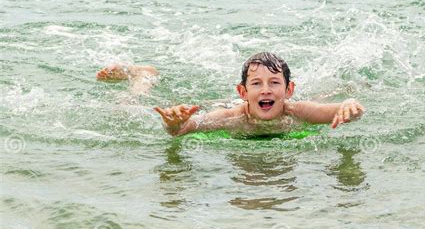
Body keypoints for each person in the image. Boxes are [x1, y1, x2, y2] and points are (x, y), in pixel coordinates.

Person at [96, 52, 365, 136]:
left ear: (289, 89)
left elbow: (342, 109)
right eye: (256, 84)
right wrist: (175, 123)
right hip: (220, 105)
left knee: (338, 90)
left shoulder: (298, 110)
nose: (266, 89)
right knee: (133, 106)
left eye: (274, 83)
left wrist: (351, 106)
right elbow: (187, 127)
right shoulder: (230, 117)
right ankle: (144, 75)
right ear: (243, 91)